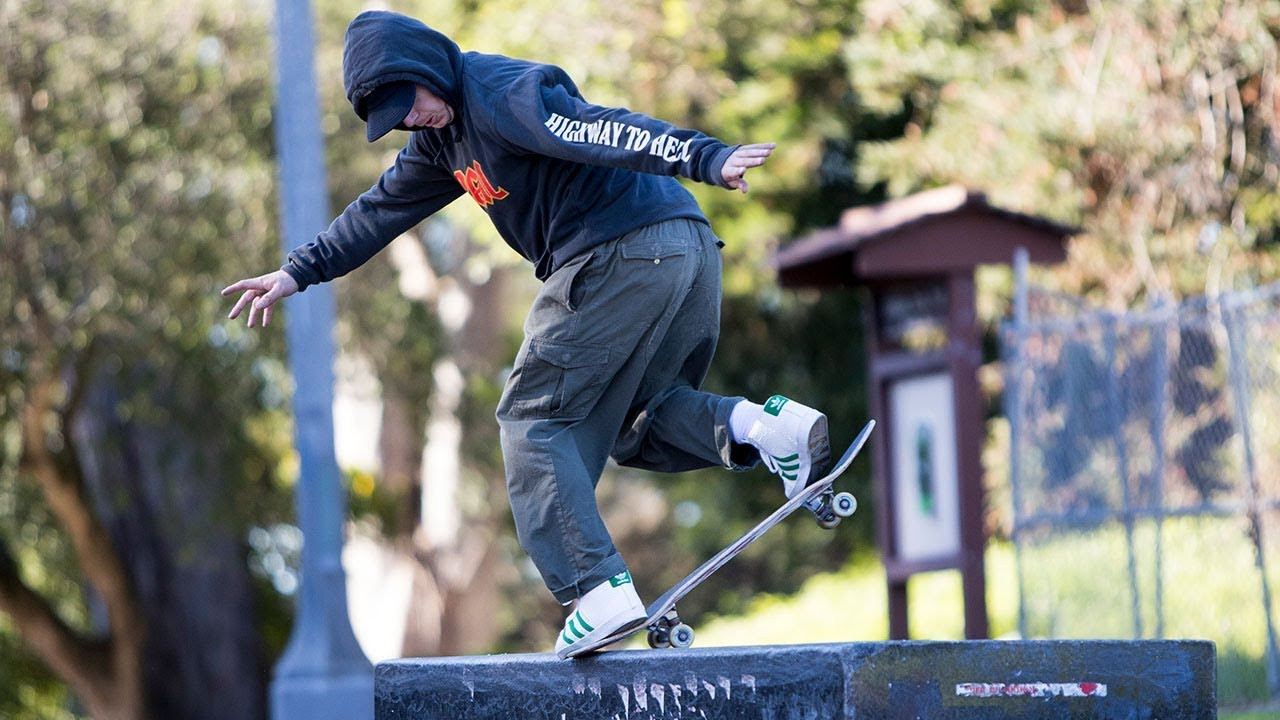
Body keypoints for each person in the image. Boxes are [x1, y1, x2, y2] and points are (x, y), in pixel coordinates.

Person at [223, 10, 831, 659]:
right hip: (681, 249)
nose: (413, 119)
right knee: (637, 423)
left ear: (428, 68)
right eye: (397, 118)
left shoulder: (498, 93)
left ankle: (598, 591)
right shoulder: (440, 145)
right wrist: (296, 273)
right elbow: (378, 211)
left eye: (412, 103)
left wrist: (703, 155)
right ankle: (770, 429)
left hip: (619, 251)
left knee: (533, 419)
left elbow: (601, 128)